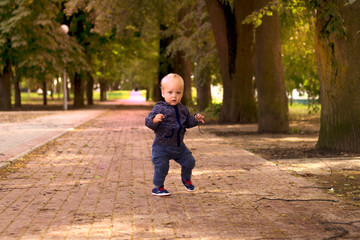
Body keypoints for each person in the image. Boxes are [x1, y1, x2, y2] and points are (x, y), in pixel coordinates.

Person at [145, 73, 205, 196]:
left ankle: (186, 178)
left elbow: (187, 122)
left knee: (190, 161)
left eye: (178, 93)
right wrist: (154, 120)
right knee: (162, 167)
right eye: (170, 92)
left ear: (182, 93)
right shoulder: (159, 108)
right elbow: (148, 121)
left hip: (178, 146)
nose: (174, 96)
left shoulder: (183, 109)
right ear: (163, 93)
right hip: (161, 146)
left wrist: (195, 118)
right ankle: (157, 187)